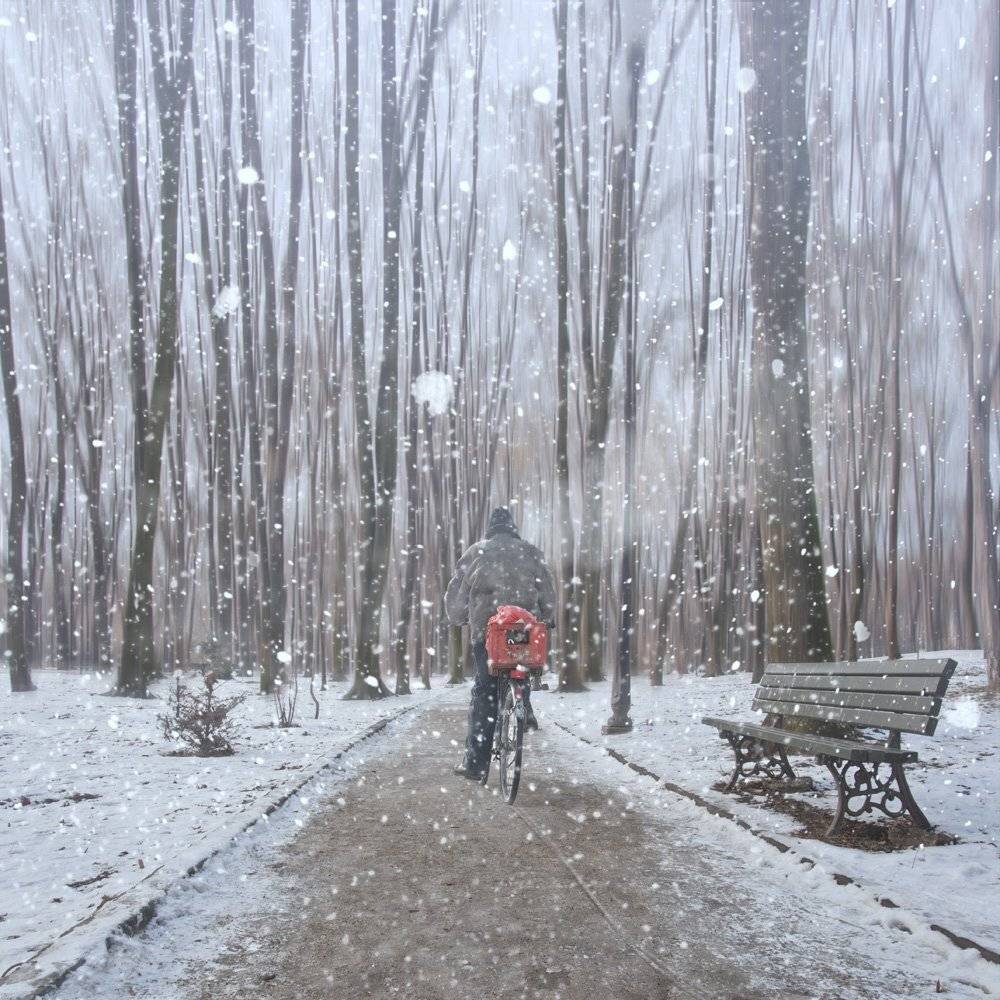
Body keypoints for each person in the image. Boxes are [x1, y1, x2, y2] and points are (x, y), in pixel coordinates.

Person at [445, 506, 556, 780]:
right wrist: (547, 616)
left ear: (490, 528)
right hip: (524, 628)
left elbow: (458, 591)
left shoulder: (476, 552)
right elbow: (547, 591)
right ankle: (523, 706)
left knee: (484, 692)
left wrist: (458, 617)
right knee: (521, 663)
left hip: (488, 630)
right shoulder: (531, 552)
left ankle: (476, 764)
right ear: (513, 528)